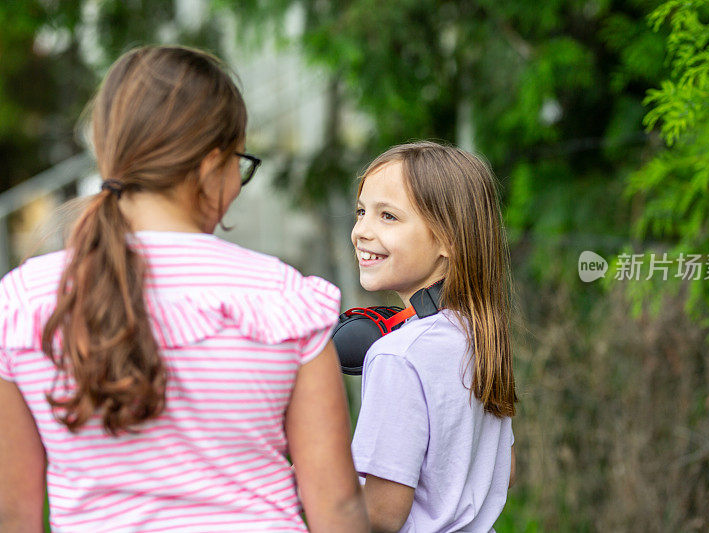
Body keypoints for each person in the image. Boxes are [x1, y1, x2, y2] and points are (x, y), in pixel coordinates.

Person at [0, 45, 368, 532]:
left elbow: (13, 514)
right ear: (209, 165)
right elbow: (337, 509)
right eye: (240, 162)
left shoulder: (24, 304)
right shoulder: (282, 300)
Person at [350, 141, 517, 532]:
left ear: (447, 241)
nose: (361, 231)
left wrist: (314, 476)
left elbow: (381, 516)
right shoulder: (479, 335)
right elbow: (503, 473)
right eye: (361, 212)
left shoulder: (397, 355)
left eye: (388, 216)